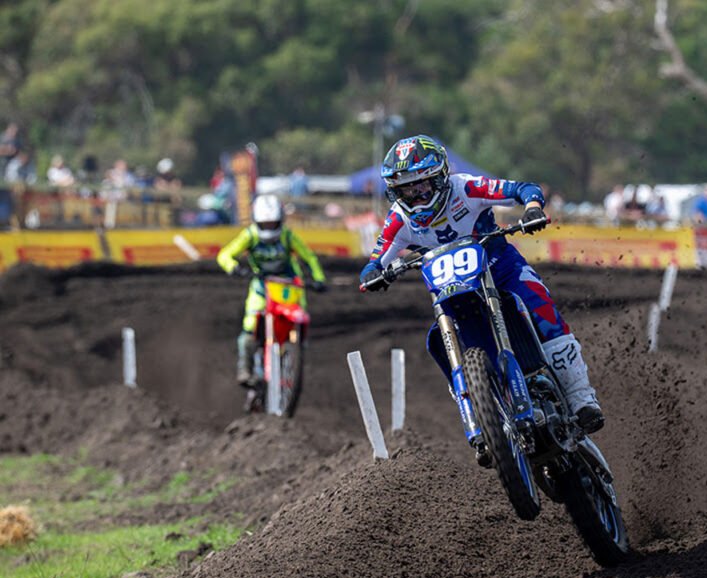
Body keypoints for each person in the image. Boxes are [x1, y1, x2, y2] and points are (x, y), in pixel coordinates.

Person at [359, 134, 604, 434]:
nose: (416, 196)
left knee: (542, 308)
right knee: (442, 339)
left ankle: (582, 398)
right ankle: (481, 419)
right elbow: (377, 258)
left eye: (421, 186)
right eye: (406, 190)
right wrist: (372, 273)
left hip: (501, 269)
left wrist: (532, 208)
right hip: (451, 288)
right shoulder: (399, 219)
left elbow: (523, 189)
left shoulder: (466, 187)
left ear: (439, 177)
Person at [217, 194, 328, 385]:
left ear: (280, 220)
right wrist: (233, 267)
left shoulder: (287, 236)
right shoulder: (250, 235)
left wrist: (319, 278)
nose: (269, 227)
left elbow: (309, 257)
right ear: (257, 221)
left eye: (272, 223)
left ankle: (297, 350)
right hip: (261, 286)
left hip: (290, 285)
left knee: (300, 317)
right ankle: (245, 369)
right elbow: (225, 254)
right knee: (250, 327)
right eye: (265, 224)